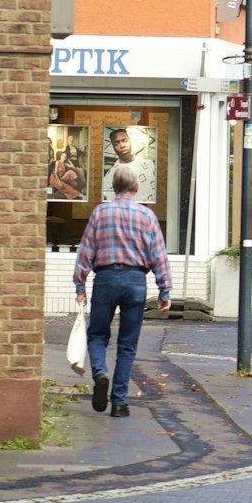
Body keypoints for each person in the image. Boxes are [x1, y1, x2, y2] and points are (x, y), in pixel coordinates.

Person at [73, 165, 171, 417]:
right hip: (135, 281)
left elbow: (86, 251)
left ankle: (100, 373)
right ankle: (118, 402)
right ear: (136, 188)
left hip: (105, 279)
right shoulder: (147, 216)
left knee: (97, 335)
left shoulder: (100, 213)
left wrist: (80, 285)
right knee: (127, 345)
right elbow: (159, 256)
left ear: (113, 188)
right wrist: (165, 292)